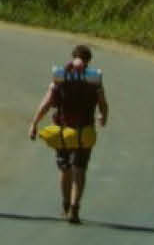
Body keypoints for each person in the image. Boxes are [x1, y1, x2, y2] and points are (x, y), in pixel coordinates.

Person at [29, 43, 109, 224]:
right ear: (88, 61)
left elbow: (47, 103)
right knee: (79, 169)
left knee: (65, 169)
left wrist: (34, 123)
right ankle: (75, 207)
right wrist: (104, 116)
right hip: (84, 132)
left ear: (72, 57)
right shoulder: (94, 81)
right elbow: (103, 103)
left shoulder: (61, 77)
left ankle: (65, 205)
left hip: (63, 132)